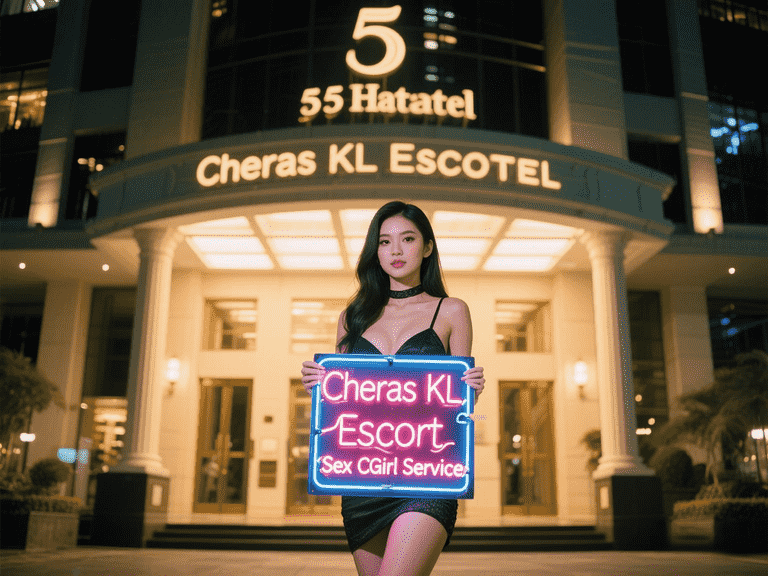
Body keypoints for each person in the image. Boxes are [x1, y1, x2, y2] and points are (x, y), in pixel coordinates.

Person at [301, 201, 485, 576]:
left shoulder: (451, 310)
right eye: (385, 241)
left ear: (428, 247)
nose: (396, 250)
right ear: (376, 250)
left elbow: (456, 403)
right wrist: (318, 386)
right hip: (362, 483)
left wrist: (470, 390)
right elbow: (341, 401)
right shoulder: (352, 316)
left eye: (408, 239)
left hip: (425, 480)